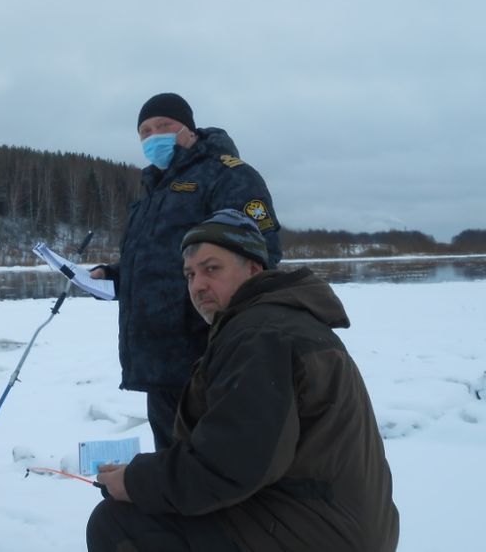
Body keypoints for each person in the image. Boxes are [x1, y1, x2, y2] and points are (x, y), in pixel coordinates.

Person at [87, 209, 400, 552]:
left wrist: (134, 481)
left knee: (118, 524)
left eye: (212, 269)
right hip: (328, 518)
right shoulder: (272, 321)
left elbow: (228, 466)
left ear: (253, 268)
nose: (197, 285)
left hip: (319, 531)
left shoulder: (261, 336)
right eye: (189, 274)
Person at [90, 93, 281, 450]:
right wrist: (113, 275)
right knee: (174, 464)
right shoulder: (153, 188)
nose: (153, 136)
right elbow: (156, 261)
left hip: (206, 354)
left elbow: (261, 252)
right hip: (158, 359)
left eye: (164, 125)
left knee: (218, 463)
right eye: (145, 131)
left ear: (189, 129)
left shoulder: (228, 175)